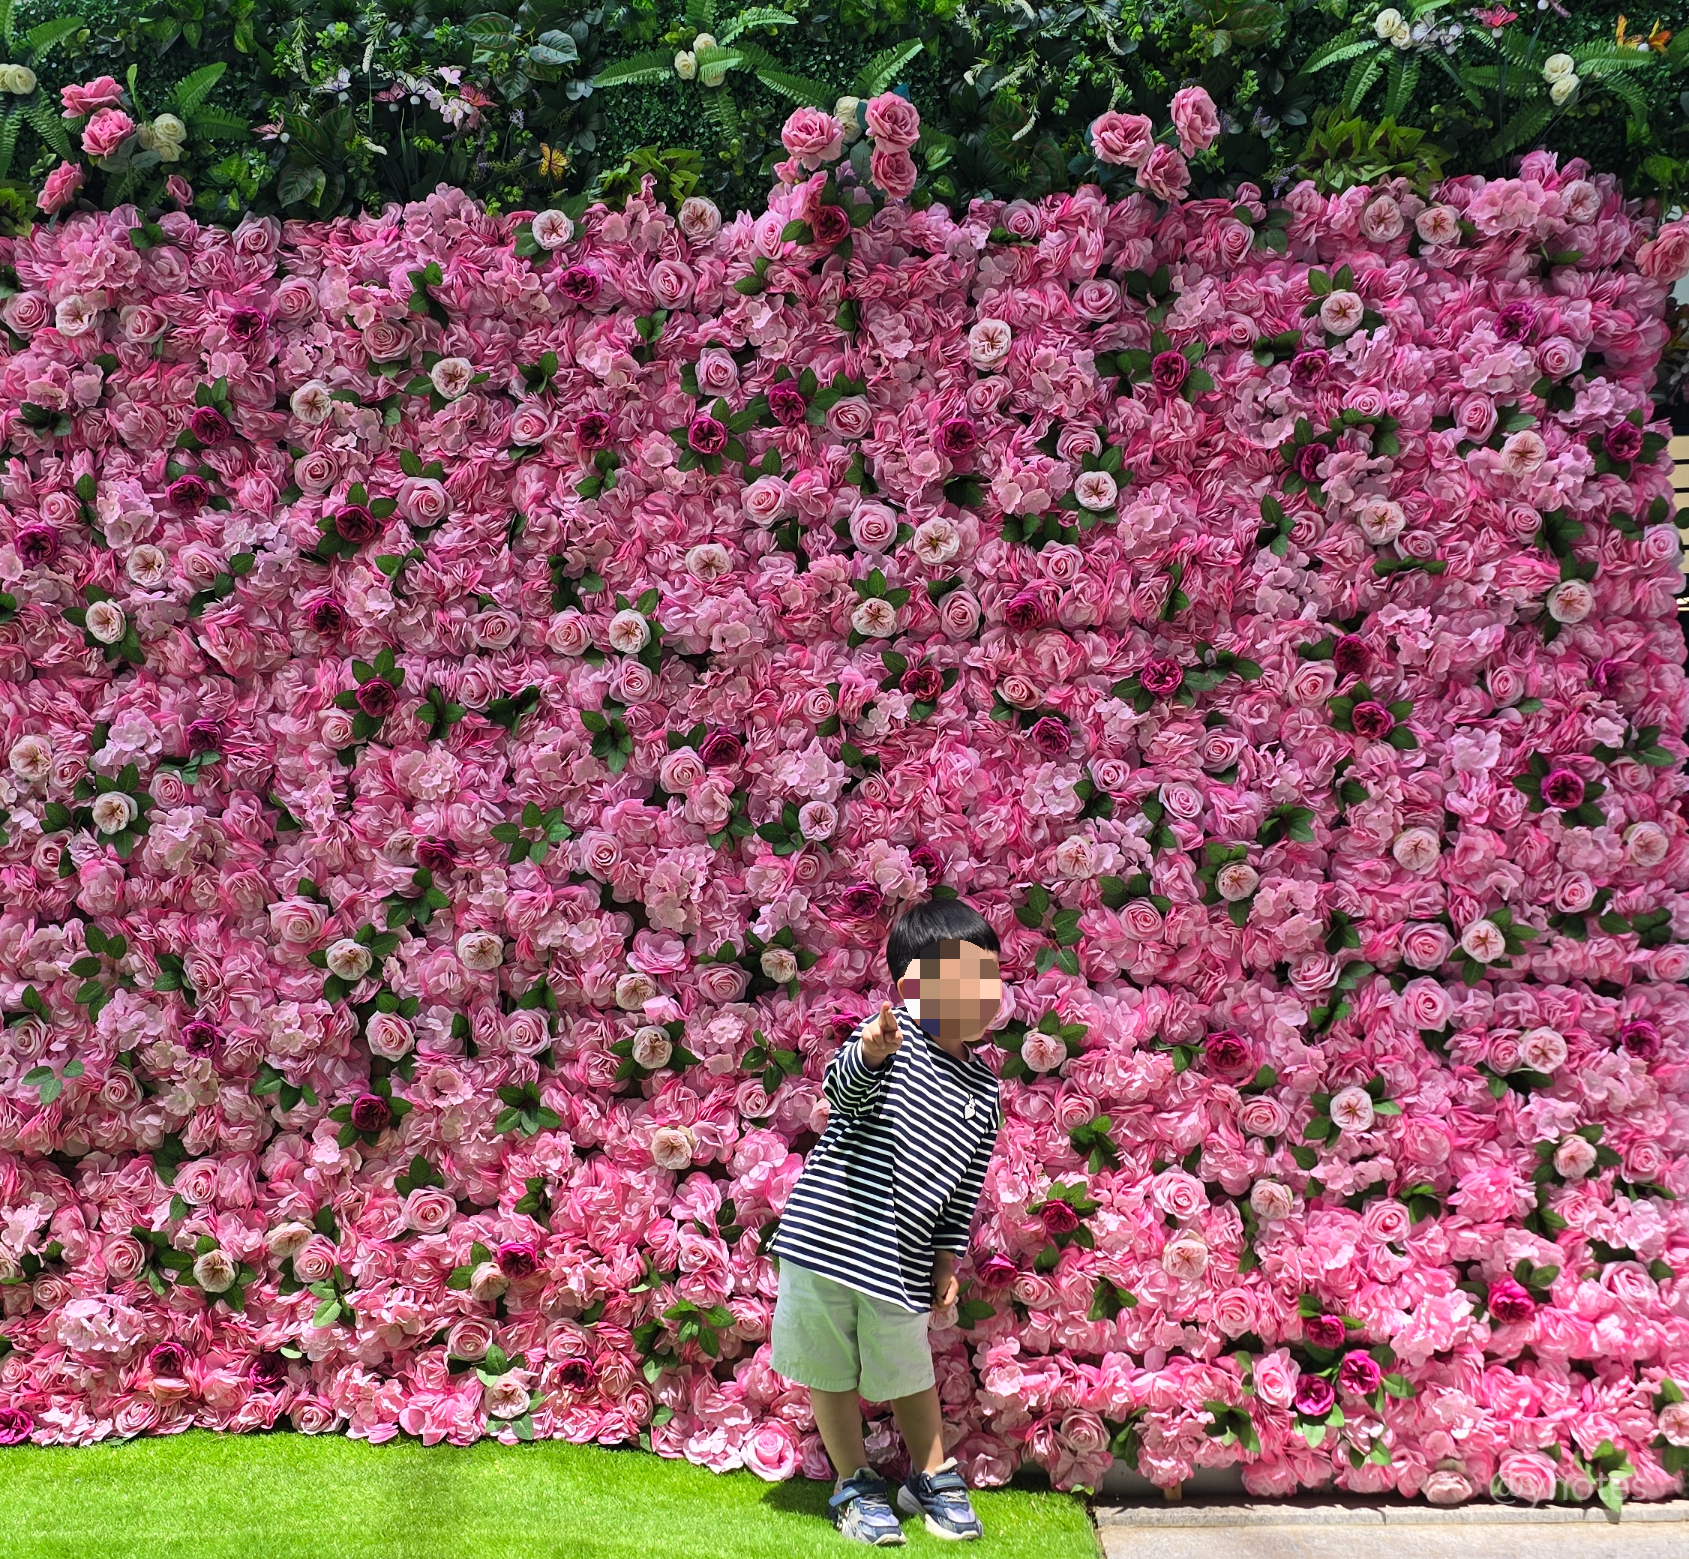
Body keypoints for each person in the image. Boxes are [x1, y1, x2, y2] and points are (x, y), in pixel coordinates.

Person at [770, 896, 1005, 1545]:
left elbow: (963, 1189)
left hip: (898, 1256)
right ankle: (854, 1479)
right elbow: (842, 1091)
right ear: (912, 990)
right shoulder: (888, 1043)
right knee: (831, 1367)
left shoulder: (982, 1088)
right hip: (827, 1240)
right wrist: (869, 1052)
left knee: (906, 1365)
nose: (984, 990)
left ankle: (929, 1473)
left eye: (990, 974)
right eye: (966, 978)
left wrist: (945, 1260)